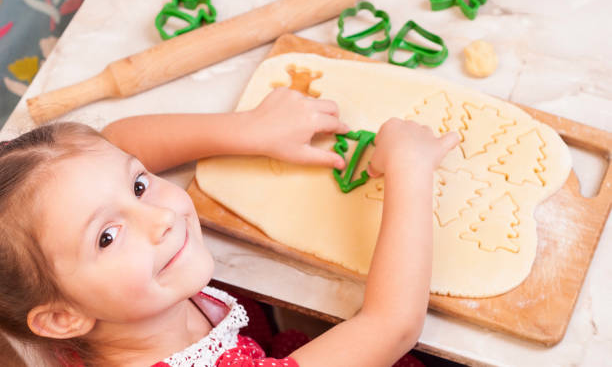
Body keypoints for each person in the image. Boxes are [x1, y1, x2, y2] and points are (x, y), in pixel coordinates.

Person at [0, 87, 459, 366]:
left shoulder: (83, 302)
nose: (160, 218)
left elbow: (109, 146)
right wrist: (410, 167)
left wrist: (246, 129)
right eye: (106, 237)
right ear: (61, 319)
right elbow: (392, 324)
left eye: (139, 186)